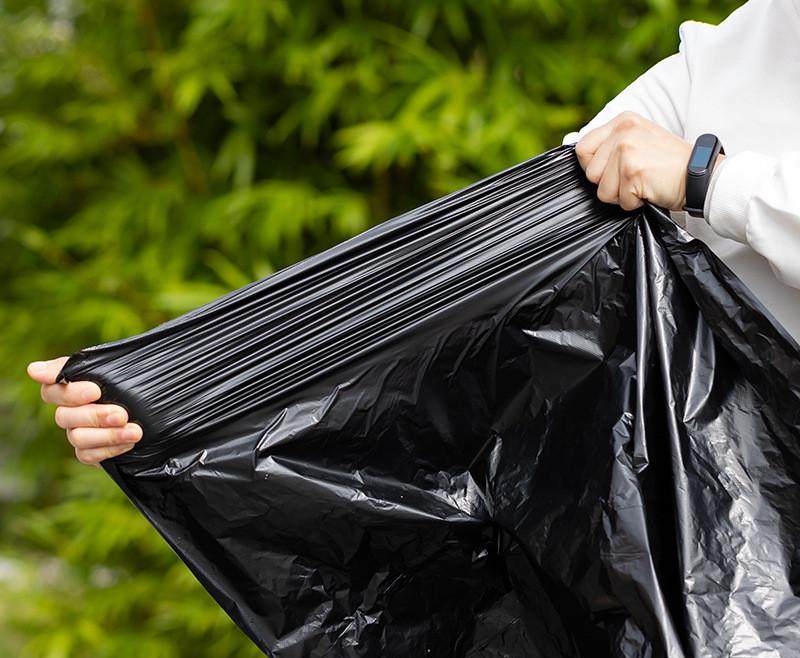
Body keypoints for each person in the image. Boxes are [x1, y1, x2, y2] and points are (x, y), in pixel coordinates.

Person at [27, 0, 800, 465]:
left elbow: (673, 172)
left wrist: (711, 183)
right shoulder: (748, 41)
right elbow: (502, 258)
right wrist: (179, 388)